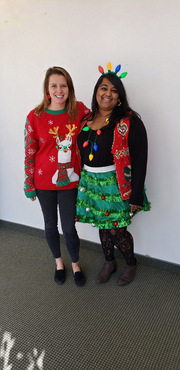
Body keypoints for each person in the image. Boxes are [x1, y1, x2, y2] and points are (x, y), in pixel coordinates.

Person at [76, 62, 150, 286]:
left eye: (114, 89)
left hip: (116, 184)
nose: (107, 93)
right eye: (103, 88)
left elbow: (140, 159)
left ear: (119, 96)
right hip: (91, 182)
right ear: (96, 91)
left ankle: (130, 263)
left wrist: (136, 195)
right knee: (102, 226)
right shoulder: (85, 120)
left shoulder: (129, 122)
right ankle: (109, 262)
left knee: (118, 230)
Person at [24, 66, 90, 287]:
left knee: (69, 227)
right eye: (54, 85)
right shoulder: (34, 117)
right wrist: (29, 184)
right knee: (50, 225)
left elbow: (101, 121)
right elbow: (30, 152)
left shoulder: (80, 111)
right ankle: (59, 263)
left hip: (71, 181)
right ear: (47, 90)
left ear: (69, 89)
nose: (59, 90)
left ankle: (75, 264)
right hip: (43, 182)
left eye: (64, 85)